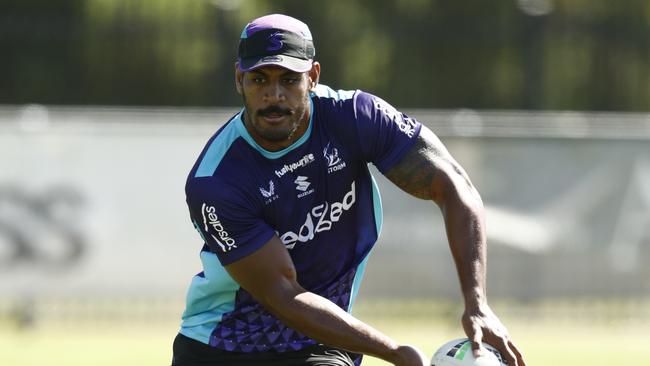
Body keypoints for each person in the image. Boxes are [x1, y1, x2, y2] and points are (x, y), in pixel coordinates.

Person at [172, 13, 526, 366]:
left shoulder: (355, 118)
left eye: (289, 79)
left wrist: (477, 304)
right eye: (259, 79)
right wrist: (393, 352)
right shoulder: (217, 181)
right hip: (223, 347)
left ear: (313, 77)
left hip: (321, 343)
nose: (273, 95)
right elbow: (283, 293)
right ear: (239, 79)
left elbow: (451, 186)